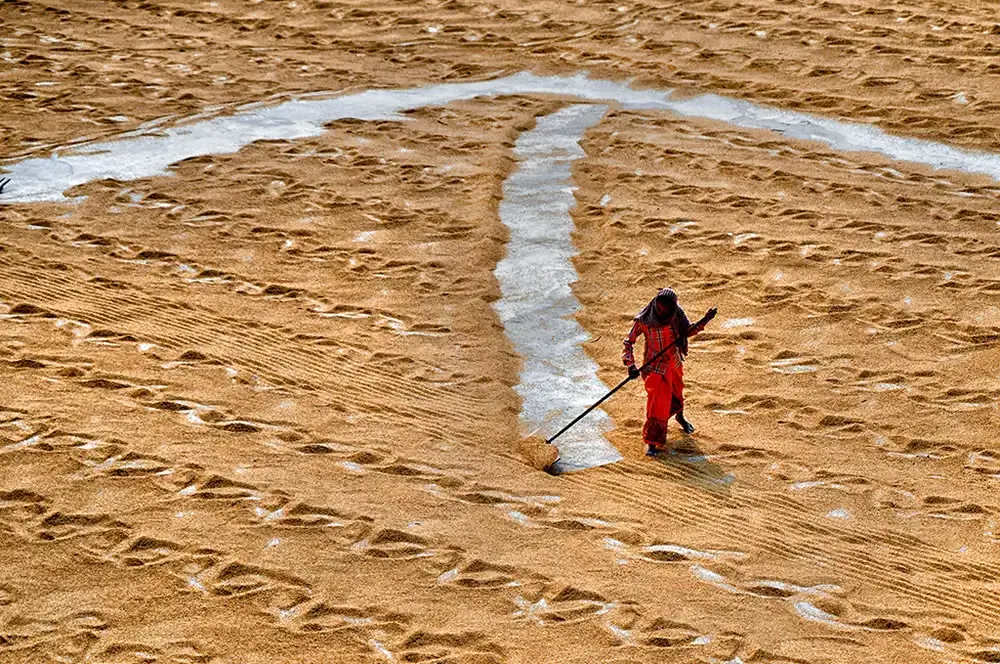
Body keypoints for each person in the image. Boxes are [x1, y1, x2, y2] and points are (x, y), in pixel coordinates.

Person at [622, 288, 717, 456]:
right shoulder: (644, 320)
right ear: (655, 304)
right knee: (656, 404)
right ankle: (652, 442)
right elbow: (628, 343)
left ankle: (679, 417)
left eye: (666, 310)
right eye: (659, 308)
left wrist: (705, 320)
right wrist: (631, 365)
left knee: (676, 393)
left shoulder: (677, 314)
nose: (662, 312)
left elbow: (687, 332)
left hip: (674, 362)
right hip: (655, 368)